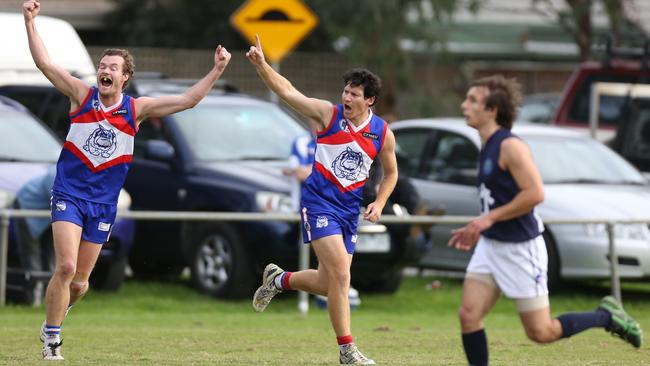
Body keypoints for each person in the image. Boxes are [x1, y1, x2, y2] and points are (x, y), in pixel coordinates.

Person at [23, 0, 231, 360]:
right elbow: (44, 63)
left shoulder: (135, 109)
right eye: (102, 65)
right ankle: (53, 339)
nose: (105, 70)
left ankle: (53, 317)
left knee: (81, 282)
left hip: (103, 202)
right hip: (69, 194)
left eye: (113, 68)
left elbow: (187, 100)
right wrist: (31, 22)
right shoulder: (81, 95)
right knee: (66, 266)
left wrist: (216, 70)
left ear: (124, 78)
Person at [448, 74, 643, 366]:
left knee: (541, 331)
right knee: (469, 315)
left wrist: (487, 219)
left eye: (473, 100)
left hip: (521, 249)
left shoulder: (510, 146)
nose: (465, 105)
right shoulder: (486, 144)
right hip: (491, 247)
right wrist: (483, 224)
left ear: (492, 110)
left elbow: (535, 193)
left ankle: (607, 316)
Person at [246, 35, 397, 365]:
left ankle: (279, 279)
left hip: (348, 211)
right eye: (345, 91)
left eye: (354, 94)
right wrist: (262, 66)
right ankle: (347, 351)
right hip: (318, 204)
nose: (346, 97)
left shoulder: (382, 132)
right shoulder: (328, 116)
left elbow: (391, 174)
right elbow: (288, 92)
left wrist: (380, 202)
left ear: (369, 100)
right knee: (343, 276)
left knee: (329, 284)